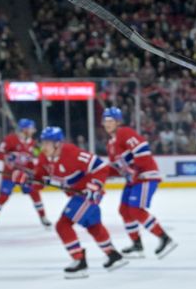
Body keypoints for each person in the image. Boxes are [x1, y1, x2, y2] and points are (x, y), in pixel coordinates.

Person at [30, 126, 127, 279]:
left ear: (57, 144)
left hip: (87, 194)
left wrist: (94, 186)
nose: (44, 146)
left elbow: (101, 167)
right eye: (43, 142)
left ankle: (79, 261)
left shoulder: (73, 153)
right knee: (93, 226)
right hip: (77, 195)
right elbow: (39, 182)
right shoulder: (43, 158)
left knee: (63, 225)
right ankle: (114, 255)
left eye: (47, 143)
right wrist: (24, 180)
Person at [102, 107, 176, 259]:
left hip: (145, 176)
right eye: (105, 121)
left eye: (110, 121)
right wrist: (100, 174)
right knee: (124, 210)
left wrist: (137, 170)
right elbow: (118, 169)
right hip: (133, 180)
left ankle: (165, 238)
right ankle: (137, 245)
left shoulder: (124, 132)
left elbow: (142, 150)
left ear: (118, 122)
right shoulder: (110, 144)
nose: (107, 124)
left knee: (136, 210)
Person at [0, 118, 51, 229]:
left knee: (35, 194)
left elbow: (37, 158)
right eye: (31, 128)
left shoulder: (33, 144)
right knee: (3, 196)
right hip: (9, 175)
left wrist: (34, 168)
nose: (33, 130)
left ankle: (43, 218)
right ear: (24, 129)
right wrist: (10, 158)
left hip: (25, 176)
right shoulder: (10, 140)